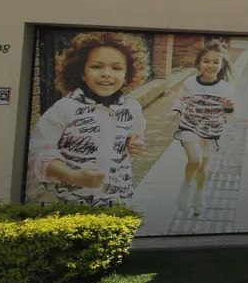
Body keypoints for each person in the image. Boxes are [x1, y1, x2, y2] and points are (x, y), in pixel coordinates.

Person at [28, 32, 147, 206]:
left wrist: (134, 143)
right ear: (81, 72)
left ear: (127, 75)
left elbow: (135, 137)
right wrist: (73, 176)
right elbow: (39, 151)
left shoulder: (132, 108)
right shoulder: (64, 109)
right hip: (75, 204)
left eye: (116, 68)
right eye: (97, 66)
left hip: (121, 199)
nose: (107, 74)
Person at [172, 42, 236, 218]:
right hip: (189, 127)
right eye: (206, 61)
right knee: (194, 160)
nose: (211, 65)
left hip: (212, 132)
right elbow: (180, 98)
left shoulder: (226, 88)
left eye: (216, 62)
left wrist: (229, 108)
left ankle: (199, 196)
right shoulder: (190, 82)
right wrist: (176, 109)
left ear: (222, 65)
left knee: (202, 168)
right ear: (199, 63)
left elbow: (230, 118)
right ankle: (185, 187)